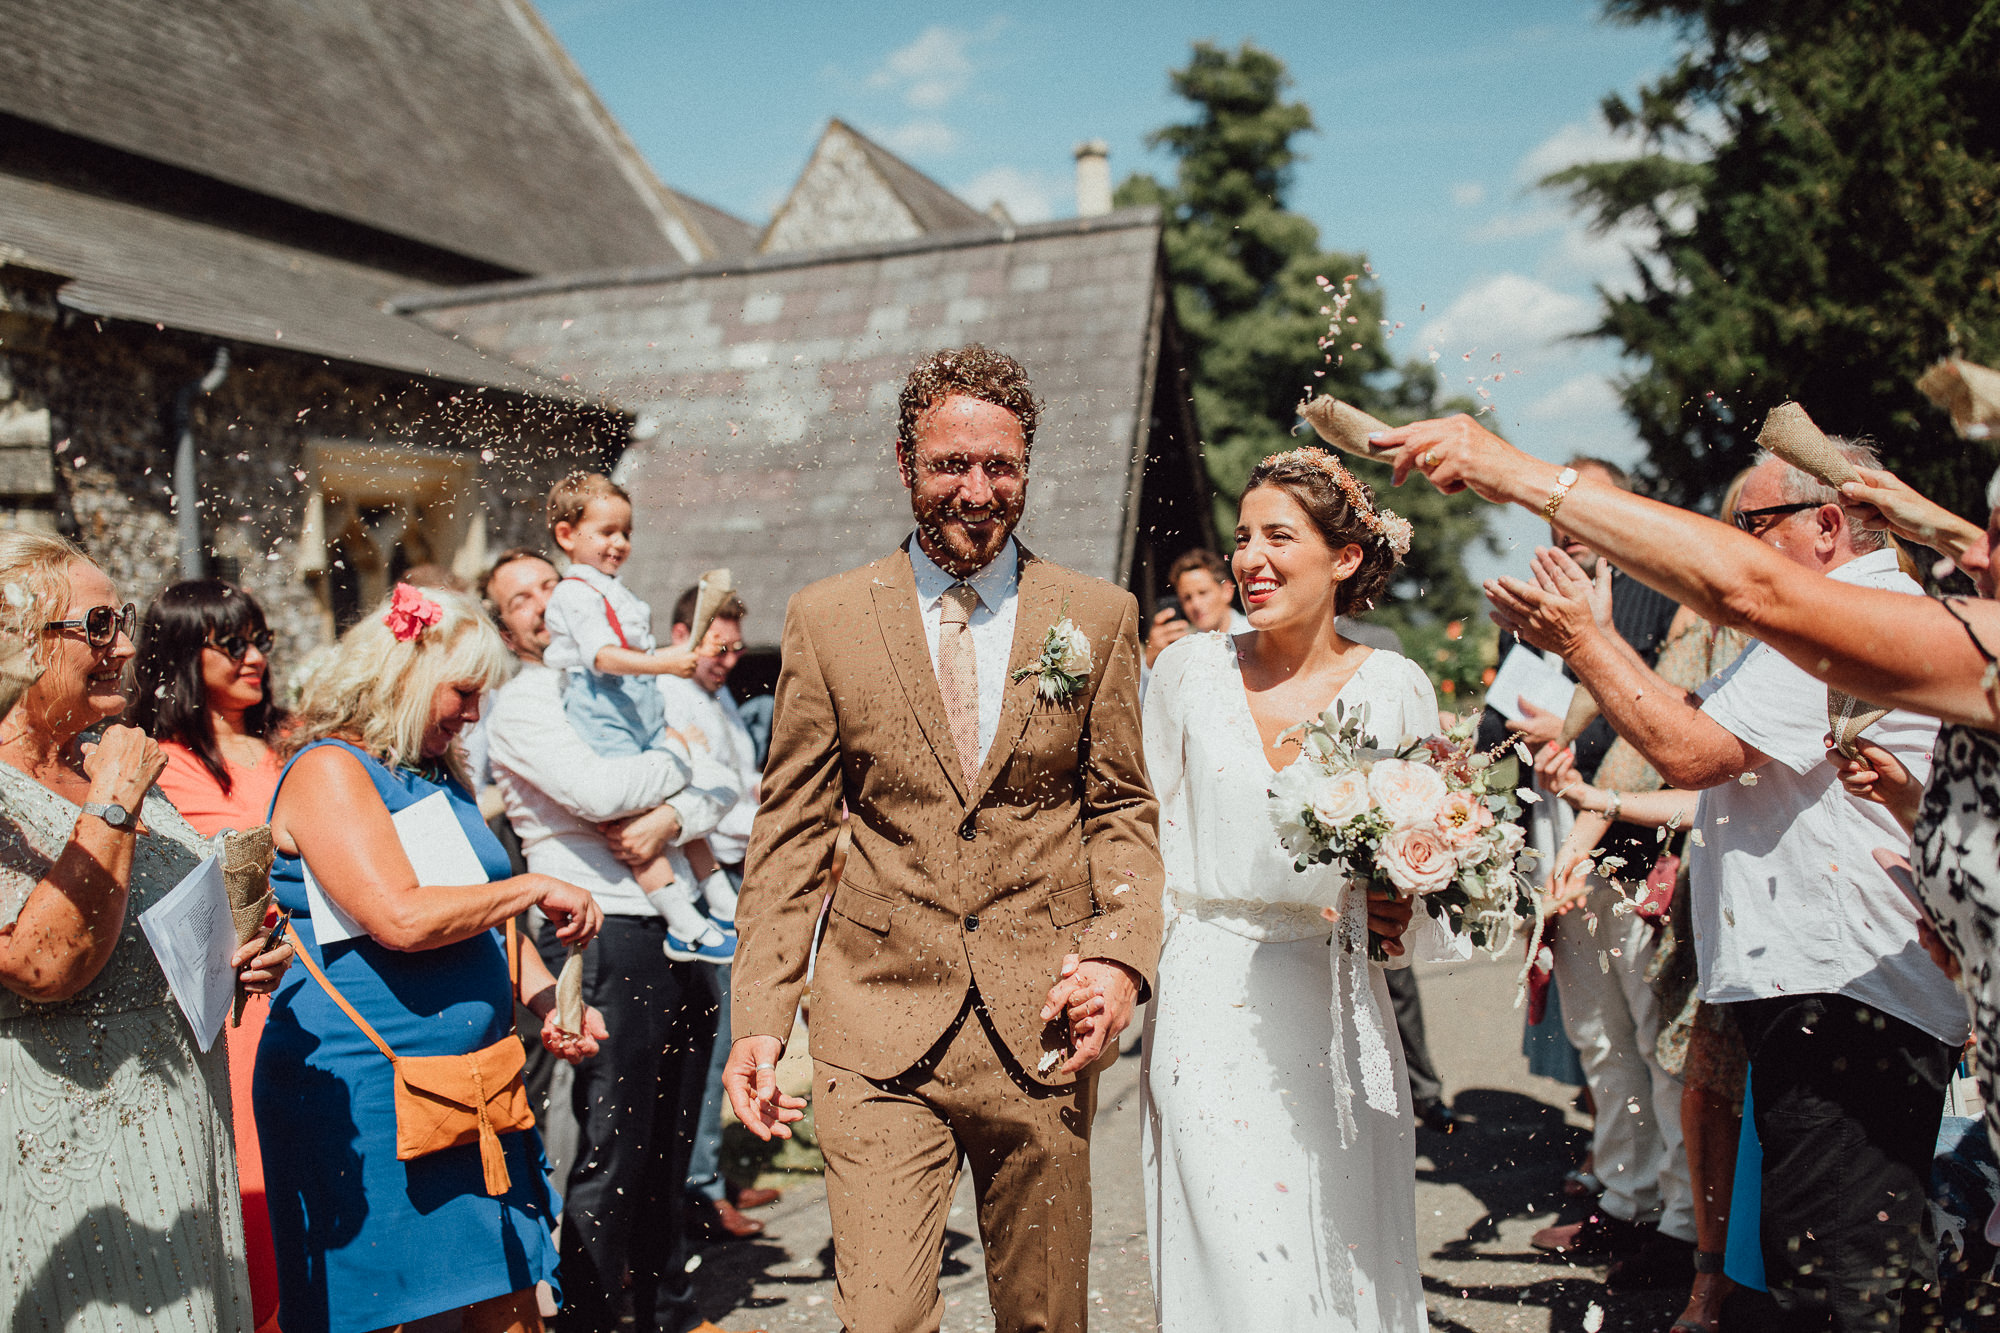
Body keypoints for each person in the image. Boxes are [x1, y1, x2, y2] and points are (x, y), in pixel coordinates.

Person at [1449, 435, 1966, 1331]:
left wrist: (1589, 637)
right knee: (1828, 1265)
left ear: (1829, 524)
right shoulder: (1837, 617)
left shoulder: (1846, 618)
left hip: (1845, 991)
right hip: (1827, 987)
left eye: (1750, 525)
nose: (1734, 546)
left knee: (1845, 1282)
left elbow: (1690, 753)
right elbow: (1697, 720)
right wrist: (1589, 650)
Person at [723, 344, 1165, 1332]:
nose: (976, 490)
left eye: (999, 466)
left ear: (1025, 467)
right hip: (874, 1031)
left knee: (1043, 1317)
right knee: (878, 1318)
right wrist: (758, 1014)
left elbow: (1122, 810)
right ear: (903, 464)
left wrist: (1119, 962)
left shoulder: (1096, 616)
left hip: (1040, 1024)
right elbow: (792, 831)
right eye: (949, 465)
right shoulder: (827, 619)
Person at [1142, 447, 1444, 1329]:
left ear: (1344, 557)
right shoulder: (1188, 672)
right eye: (1242, 538)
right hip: (1205, 990)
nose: (1251, 559)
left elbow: (1428, 865)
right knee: (1235, 1253)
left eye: (1279, 535)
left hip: (1335, 998)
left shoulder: (1395, 687)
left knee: (1336, 1240)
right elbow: (1142, 831)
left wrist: (1403, 904)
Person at [256, 582, 607, 1333]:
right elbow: (403, 918)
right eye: (465, 691)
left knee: (514, 1303)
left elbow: (479, 923)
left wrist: (548, 1001)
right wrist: (531, 884)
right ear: (406, 674)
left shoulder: (436, 773)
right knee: (393, 1313)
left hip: (476, 1089)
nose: (474, 713)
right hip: (370, 1092)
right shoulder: (328, 769)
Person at [0, 530, 290, 1329]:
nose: (123, 646)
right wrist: (116, 796)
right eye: (97, 626)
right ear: (18, 640)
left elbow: (150, 930)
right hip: (71, 1153)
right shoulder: (95, 775)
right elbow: (41, 963)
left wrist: (234, 957)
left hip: (184, 1143)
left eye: (120, 621)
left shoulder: (104, 755)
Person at [482, 550, 751, 1333]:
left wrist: (672, 815)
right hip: (604, 926)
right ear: (507, 626)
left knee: (670, 1133)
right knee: (615, 1145)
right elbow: (600, 793)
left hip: (678, 918)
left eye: (552, 586)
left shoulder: (626, 686)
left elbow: (723, 791)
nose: (544, 603)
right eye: (522, 598)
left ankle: (669, 1312)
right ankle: (593, 1318)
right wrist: (678, 773)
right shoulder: (527, 702)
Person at [129, 579, 290, 1333]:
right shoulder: (162, 766)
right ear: (184, 655)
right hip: (245, 991)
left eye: (260, 640)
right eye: (234, 643)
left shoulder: (293, 739)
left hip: (323, 980)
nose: (256, 656)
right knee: (255, 1171)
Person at [542, 472, 733, 962]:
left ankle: (720, 900)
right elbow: (602, 656)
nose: (620, 543)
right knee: (638, 820)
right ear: (566, 535)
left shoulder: (612, 590)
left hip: (635, 704)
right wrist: (667, 662)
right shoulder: (573, 594)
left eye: (625, 533)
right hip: (603, 709)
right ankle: (682, 921)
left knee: (678, 801)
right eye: (606, 532)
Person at [659, 587, 779, 1241]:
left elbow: (738, 783)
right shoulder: (675, 696)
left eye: (736, 648)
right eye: (718, 646)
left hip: (736, 867)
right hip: (705, 880)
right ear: (684, 633)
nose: (729, 660)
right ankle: (701, 1189)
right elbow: (705, 803)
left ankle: (719, 1172)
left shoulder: (720, 698)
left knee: (738, 1031)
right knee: (713, 1040)